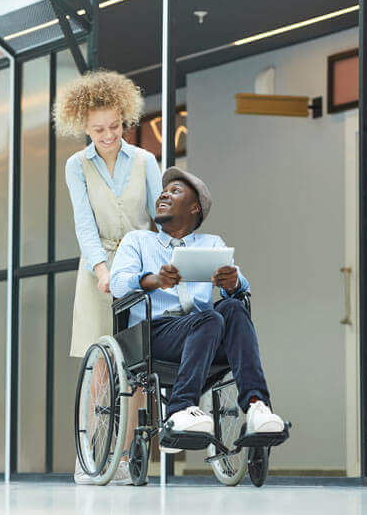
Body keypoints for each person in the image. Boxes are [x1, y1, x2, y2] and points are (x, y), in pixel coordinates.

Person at [109, 166, 284, 455]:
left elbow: (241, 284)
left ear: (194, 208)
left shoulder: (211, 244)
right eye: (164, 191)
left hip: (206, 332)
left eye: (175, 191)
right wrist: (154, 280)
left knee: (233, 308)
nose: (164, 193)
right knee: (210, 319)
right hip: (154, 336)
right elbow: (117, 285)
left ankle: (256, 406)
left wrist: (234, 281)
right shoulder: (138, 241)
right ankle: (180, 410)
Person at [53, 70, 161, 484]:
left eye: (114, 126)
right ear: (83, 125)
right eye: (98, 129)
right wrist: (101, 270)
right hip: (97, 268)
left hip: (139, 265)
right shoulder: (76, 166)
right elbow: (84, 225)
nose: (108, 135)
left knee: (133, 368)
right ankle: (92, 453)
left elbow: (158, 217)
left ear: (124, 118)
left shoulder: (146, 161)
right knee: (99, 364)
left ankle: (121, 457)